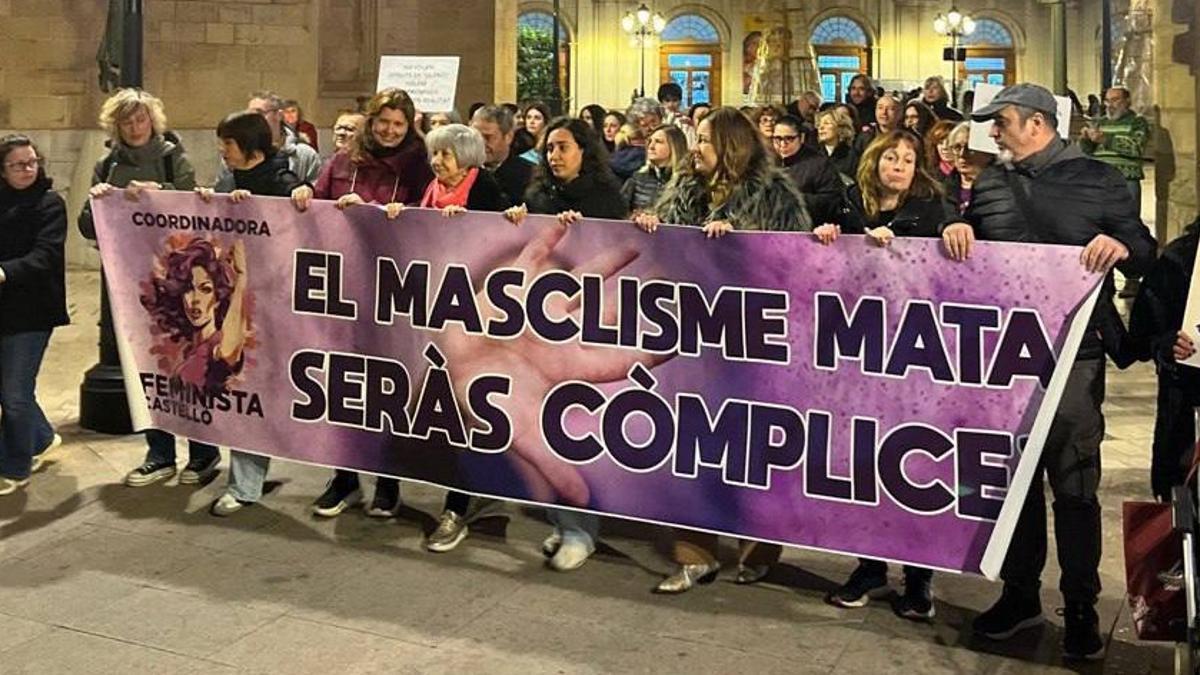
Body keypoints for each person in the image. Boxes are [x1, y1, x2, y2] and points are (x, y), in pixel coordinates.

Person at [942, 83, 1157, 661]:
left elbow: (1144, 249)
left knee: (1074, 485)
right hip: (1005, 362)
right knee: (1015, 484)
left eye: (1002, 122)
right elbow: (974, 256)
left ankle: (1082, 605)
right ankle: (1019, 595)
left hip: (1075, 359)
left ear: (1037, 124)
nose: (995, 132)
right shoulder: (989, 184)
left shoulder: (1099, 180)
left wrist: (1120, 244)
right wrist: (955, 232)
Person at [635, 107, 810, 592]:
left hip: (751, 343)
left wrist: (743, 245)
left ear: (731, 145)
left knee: (751, 446)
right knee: (688, 444)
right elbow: (661, 257)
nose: (696, 148)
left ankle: (757, 549)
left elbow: (794, 264)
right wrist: (652, 227)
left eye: (707, 139)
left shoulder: (774, 196)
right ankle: (695, 554)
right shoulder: (683, 191)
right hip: (691, 341)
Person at [813, 130, 951, 620]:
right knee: (862, 462)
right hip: (855, 351)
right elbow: (807, 252)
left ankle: (918, 577)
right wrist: (831, 236)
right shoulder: (847, 202)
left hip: (913, 354)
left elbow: (953, 268)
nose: (899, 165)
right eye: (891, 156)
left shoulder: (935, 209)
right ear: (874, 161)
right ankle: (869, 566)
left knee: (912, 464)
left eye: (909, 159)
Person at [291, 88, 433, 519]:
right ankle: (345, 477)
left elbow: (423, 219)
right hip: (341, 287)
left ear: (409, 127)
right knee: (341, 385)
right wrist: (304, 194)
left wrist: (376, 210)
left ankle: (388, 482)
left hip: (391, 289)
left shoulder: (420, 166)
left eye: (399, 124)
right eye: (383, 122)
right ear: (371, 122)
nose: (390, 131)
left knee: (387, 387)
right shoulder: (342, 161)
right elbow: (317, 200)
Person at [78, 88, 220, 488]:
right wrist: (100, 201)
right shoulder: (107, 164)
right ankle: (159, 453)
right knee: (149, 368)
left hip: (177, 282)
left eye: (140, 119)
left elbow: (195, 211)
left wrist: (161, 197)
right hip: (131, 281)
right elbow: (89, 226)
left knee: (189, 368)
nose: (134, 127)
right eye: (126, 121)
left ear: (152, 121)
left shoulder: (174, 158)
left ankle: (202, 453)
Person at [503, 117, 627, 571]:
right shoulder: (538, 196)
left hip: (584, 336)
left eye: (563, 147)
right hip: (537, 330)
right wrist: (516, 219)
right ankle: (563, 523)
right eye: (548, 148)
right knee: (542, 430)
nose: (554, 156)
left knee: (575, 430)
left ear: (584, 152)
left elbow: (615, 251)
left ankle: (583, 530)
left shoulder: (604, 197)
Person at [202, 111, 303, 517]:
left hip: (277, 307)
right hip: (235, 306)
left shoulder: (282, 182)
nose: (223, 152)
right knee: (241, 389)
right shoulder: (227, 181)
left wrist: (300, 197)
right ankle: (245, 482)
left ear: (249, 147)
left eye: (228, 144)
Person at [0, 134, 68, 496]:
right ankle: (40, 438)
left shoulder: (50, 203)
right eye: (18, 164)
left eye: (32, 162)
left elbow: (46, 255)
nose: (27, 169)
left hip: (33, 310)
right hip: (3, 307)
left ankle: (14, 467)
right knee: (11, 388)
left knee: (14, 392)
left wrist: (4, 272)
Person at [215, 91, 321, 192]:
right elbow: (222, 193)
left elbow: (317, 190)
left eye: (259, 113)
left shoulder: (303, 154)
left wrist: (303, 190)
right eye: (249, 115)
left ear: (279, 115)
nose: (252, 120)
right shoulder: (234, 155)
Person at [1080, 86, 1150, 207]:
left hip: (1125, 180)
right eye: (1107, 100)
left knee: (1126, 220)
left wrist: (1106, 139)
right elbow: (1088, 152)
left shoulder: (1137, 122)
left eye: (1115, 100)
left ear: (1127, 101)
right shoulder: (1099, 122)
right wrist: (1085, 140)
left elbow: (1136, 147)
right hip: (1100, 180)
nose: (1110, 105)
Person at [772, 114, 842, 224]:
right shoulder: (767, 161)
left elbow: (832, 200)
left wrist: (794, 199)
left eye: (789, 139)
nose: (782, 144)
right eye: (777, 139)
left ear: (801, 138)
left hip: (808, 227)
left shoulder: (820, 164)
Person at [471, 105, 534, 207]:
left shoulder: (531, 175)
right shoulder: (461, 172)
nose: (480, 143)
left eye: (488, 137)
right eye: (476, 136)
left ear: (508, 137)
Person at [620, 124, 688, 215]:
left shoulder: (686, 183)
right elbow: (619, 213)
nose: (651, 146)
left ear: (674, 147)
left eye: (658, 142)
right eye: (650, 141)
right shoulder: (637, 179)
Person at [942, 122, 993, 215]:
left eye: (969, 148)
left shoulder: (998, 187)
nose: (962, 154)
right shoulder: (942, 188)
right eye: (957, 147)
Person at [815, 107, 859, 184]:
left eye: (827, 123)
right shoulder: (814, 155)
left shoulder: (852, 156)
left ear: (840, 128)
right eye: (819, 125)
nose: (821, 128)